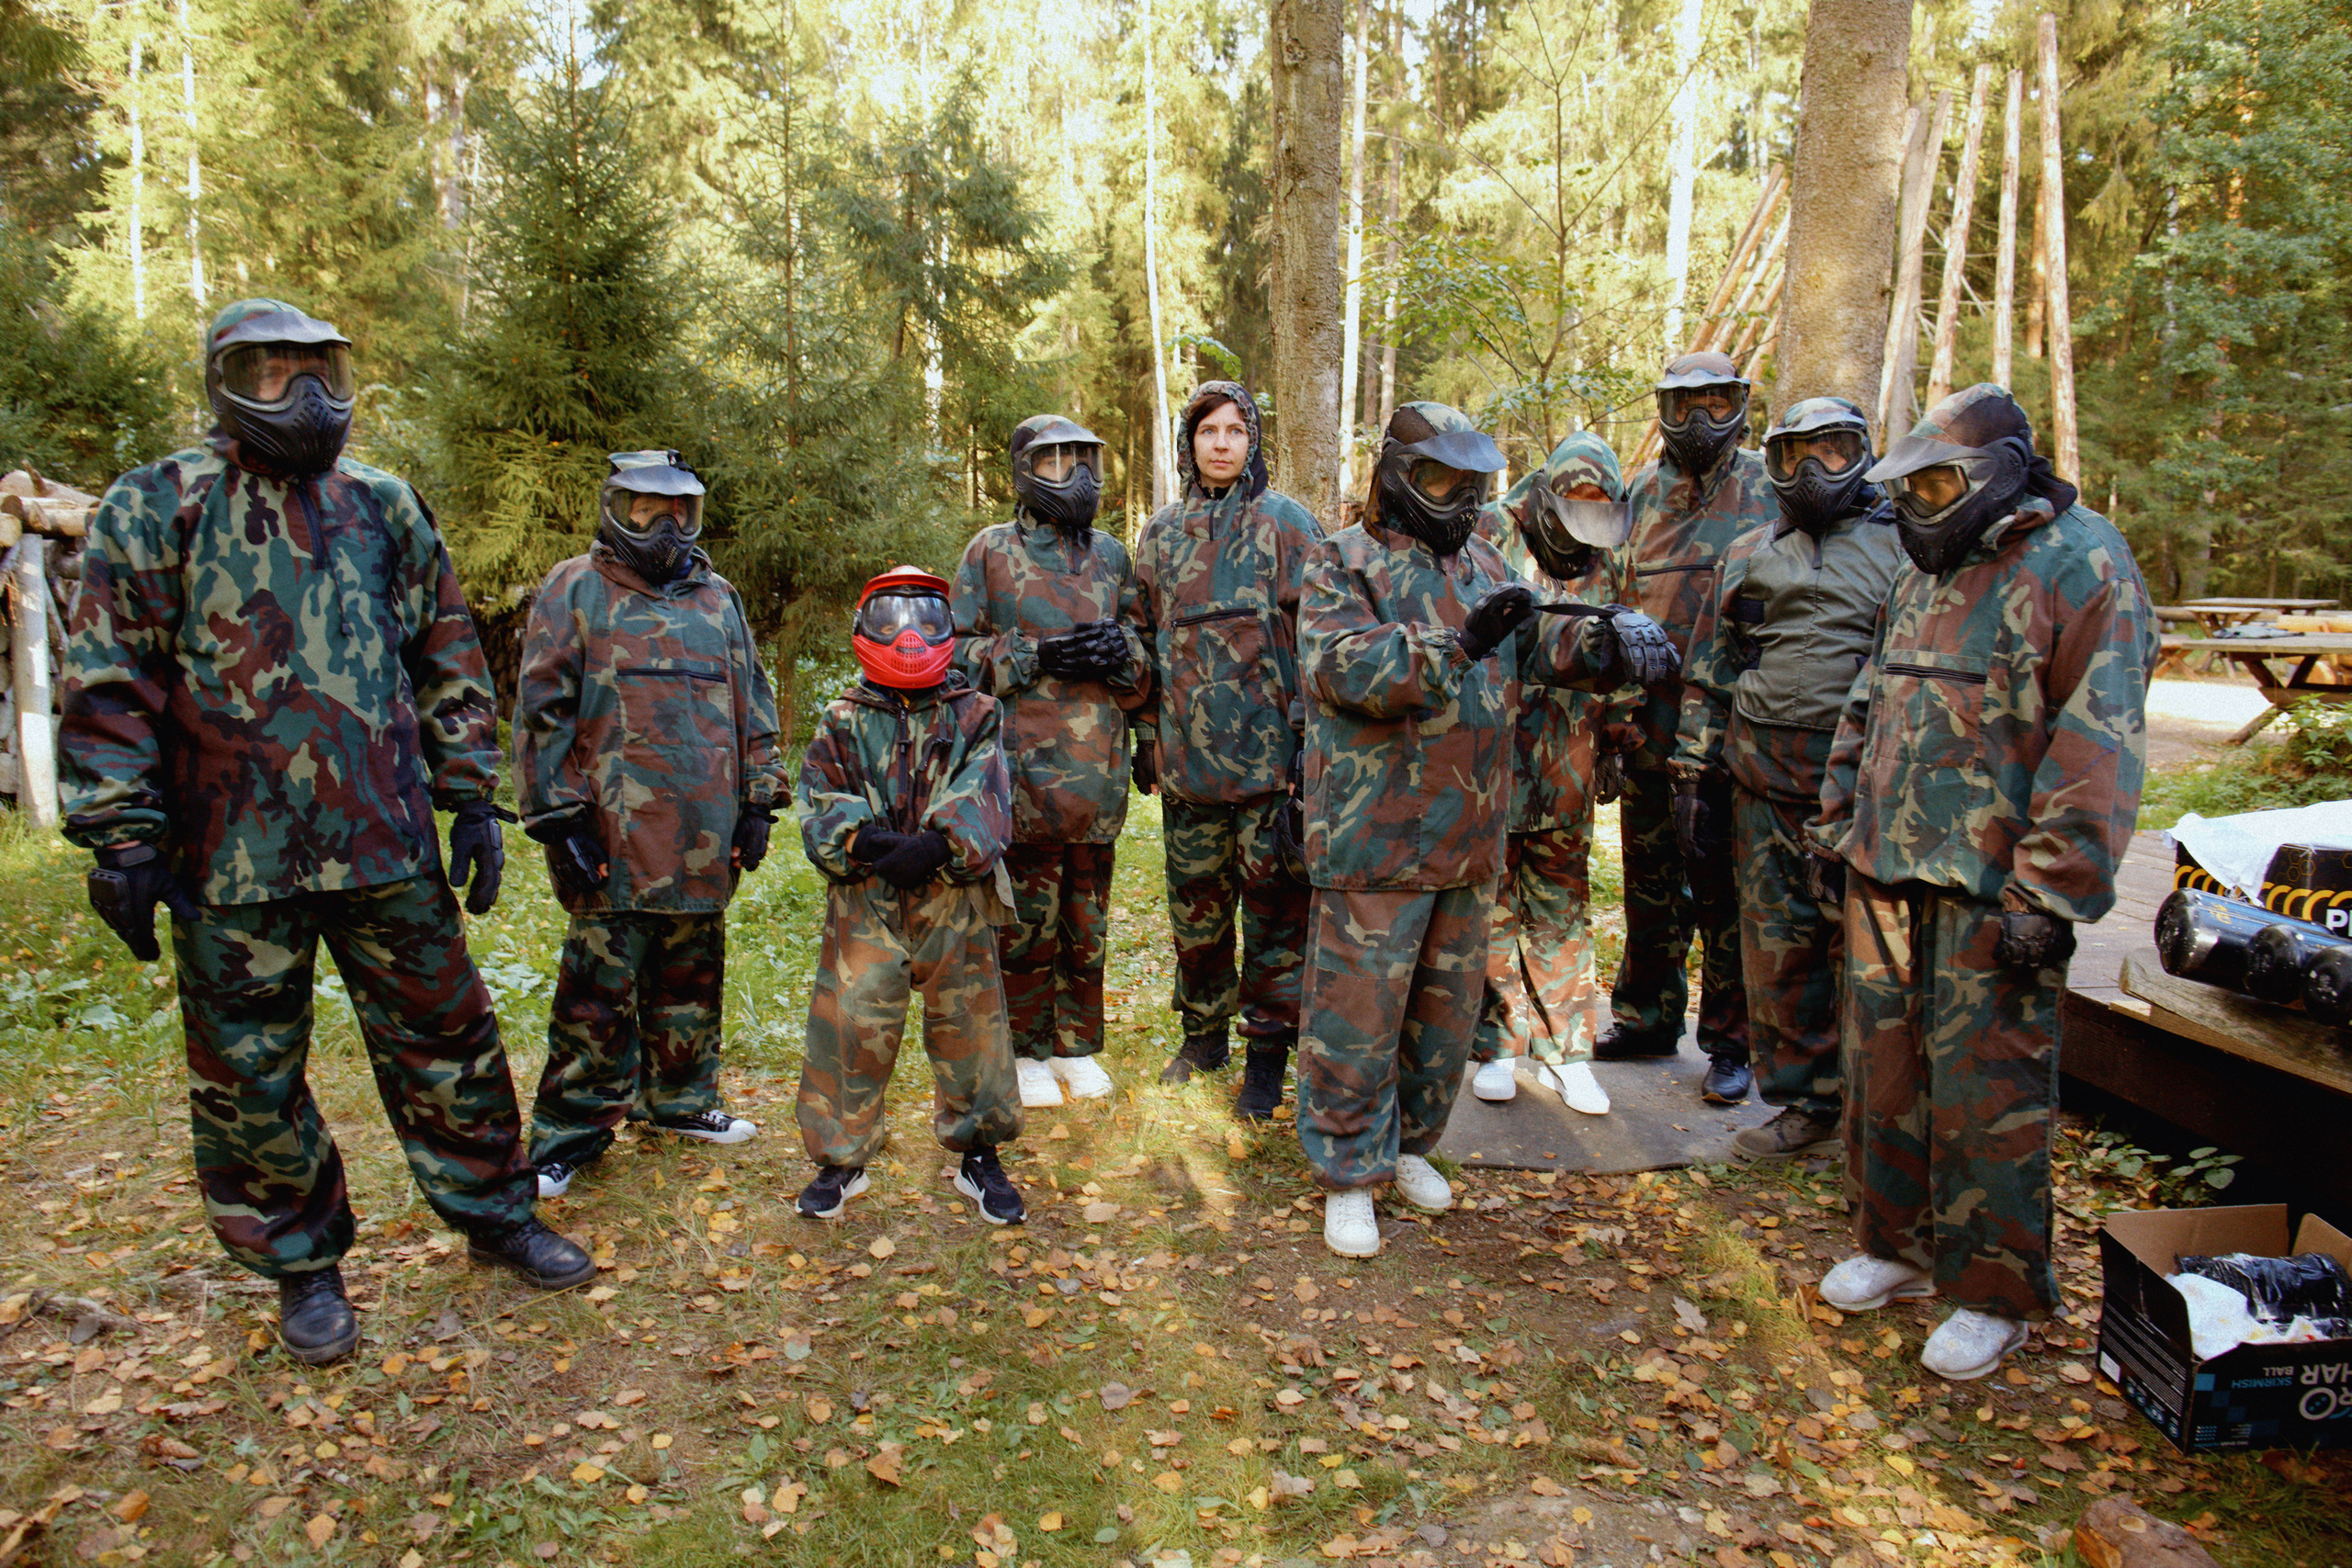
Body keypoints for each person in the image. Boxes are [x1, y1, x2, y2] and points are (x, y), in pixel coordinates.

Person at [59, 298, 594, 1367]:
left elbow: (445, 654)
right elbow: (110, 679)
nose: (303, 397)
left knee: (449, 1037)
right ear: (223, 382)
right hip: (229, 857)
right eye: (272, 374)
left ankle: (494, 1212)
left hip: (385, 841)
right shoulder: (157, 505)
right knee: (250, 1073)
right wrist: (120, 835)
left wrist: (471, 796)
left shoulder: (382, 505)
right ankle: (302, 1265)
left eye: (320, 373)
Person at [1808, 384, 2155, 1380]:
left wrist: (2051, 890)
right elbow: (1869, 702)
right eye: (1909, 486)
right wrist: (1835, 827)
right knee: (1883, 1074)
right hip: (1884, 866)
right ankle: (1896, 1246)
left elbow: (2100, 743)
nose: (1918, 501)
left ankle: (1993, 1291)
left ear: (1998, 472)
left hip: (1989, 888)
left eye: (1938, 482)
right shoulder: (1924, 569)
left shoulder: (2081, 562)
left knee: (1987, 1091)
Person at [1295, 402, 1675, 1258]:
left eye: (1470, 483)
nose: (1456, 497)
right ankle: (1351, 1172)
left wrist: (1609, 642)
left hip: (1471, 836)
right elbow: (1343, 666)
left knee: (1443, 1017)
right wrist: (1458, 642)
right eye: (1438, 479)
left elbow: (1535, 646)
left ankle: (1411, 1147)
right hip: (1375, 838)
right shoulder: (1340, 561)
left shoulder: (1485, 560)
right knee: (1357, 1017)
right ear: (1396, 476)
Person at [513, 451, 784, 1200]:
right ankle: (569, 1132)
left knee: (691, 973)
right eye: (645, 511)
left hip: (703, 826)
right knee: (598, 991)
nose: (664, 528)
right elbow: (541, 711)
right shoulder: (576, 588)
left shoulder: (716, 596)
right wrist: (556, 816)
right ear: (614, 508)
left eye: (680, 513)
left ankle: (680, 1100)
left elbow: (753, 700)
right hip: (609, 834)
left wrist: (759, 799)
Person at [1674, 399, 1905, 1159]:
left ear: (1864, 454)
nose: (1812, 472)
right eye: (1794, 454)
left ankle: (1880, 1115)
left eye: (1832, 452)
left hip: (1863, 791)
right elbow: (1713, 666)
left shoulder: (1905, 547)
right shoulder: (1749, 551)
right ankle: (1807, 1103)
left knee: (1870, 958)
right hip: (1760, 779)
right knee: (1778, 949)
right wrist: (1691, 772)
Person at [793, 566, 1026, 1224]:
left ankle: (978, 1152)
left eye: (925, 619)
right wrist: (864, 843)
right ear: (865, 628)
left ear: (946, 628)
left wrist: (936, 844)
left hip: (954, 891)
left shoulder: (976, 711)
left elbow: (988, 789)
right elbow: (819, 795)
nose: (909, 635)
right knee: (851, 1020)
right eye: (891, 620)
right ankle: (841, 1156)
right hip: (864, 895)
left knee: (970, 1024)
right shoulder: (843, 718)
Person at [1131, 382, 1323, 1120]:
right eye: (1208, 430)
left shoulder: (1287, 526)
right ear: (1190, 443)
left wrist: (1309, 743)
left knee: (1276, 918)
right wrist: (1147, 734)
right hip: (1188, 776)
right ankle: (1203, 1035)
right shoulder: (1162, 534)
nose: (1221, 443)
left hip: (1271, 774)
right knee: (1197, 920)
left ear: (1253, 441)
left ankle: (1267, 1056)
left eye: (1235, 430)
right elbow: (1142, 642)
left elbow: (1319, 637)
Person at [951, 415, 1150, 1109]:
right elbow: (953, 659)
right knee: (1024, 921)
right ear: (1026, 470)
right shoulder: (990, 553)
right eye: (1059, 462)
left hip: (1097, 777)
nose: (1078, 477)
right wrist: (1037, 654)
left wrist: (1122, 655)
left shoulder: (1113, 558)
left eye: (1086, 461)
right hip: (1021, 776)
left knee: (1085, 920)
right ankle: (1025, 1047)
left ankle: (1076, 1044)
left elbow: (1144, 660)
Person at [1600, 351, 1773, 1105]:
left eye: (1715, 403)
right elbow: (1609, 602)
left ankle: (1732, 1042)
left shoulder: (1770, 489)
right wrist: (1614, 720)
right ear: (1662, 410)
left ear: (1737, 403)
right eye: (1682, 405)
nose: (1699, 421)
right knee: (1650, 883)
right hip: (1649, 725)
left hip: (1734, 729)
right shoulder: (1639, 492)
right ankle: (1646, 1017)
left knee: (1726, 888)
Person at [1467, 432, 1629, 1117]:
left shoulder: (1605, 560)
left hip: (1567, 756)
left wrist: (1618, 738)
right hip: (1492, 755)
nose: (1585, 524)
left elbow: (1619, 646)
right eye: (1577, 506)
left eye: (1600, 509)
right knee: (1492, 903)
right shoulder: (1488, 534)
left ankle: (1569, 1056)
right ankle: (1500, 1047)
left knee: (1561, 910)